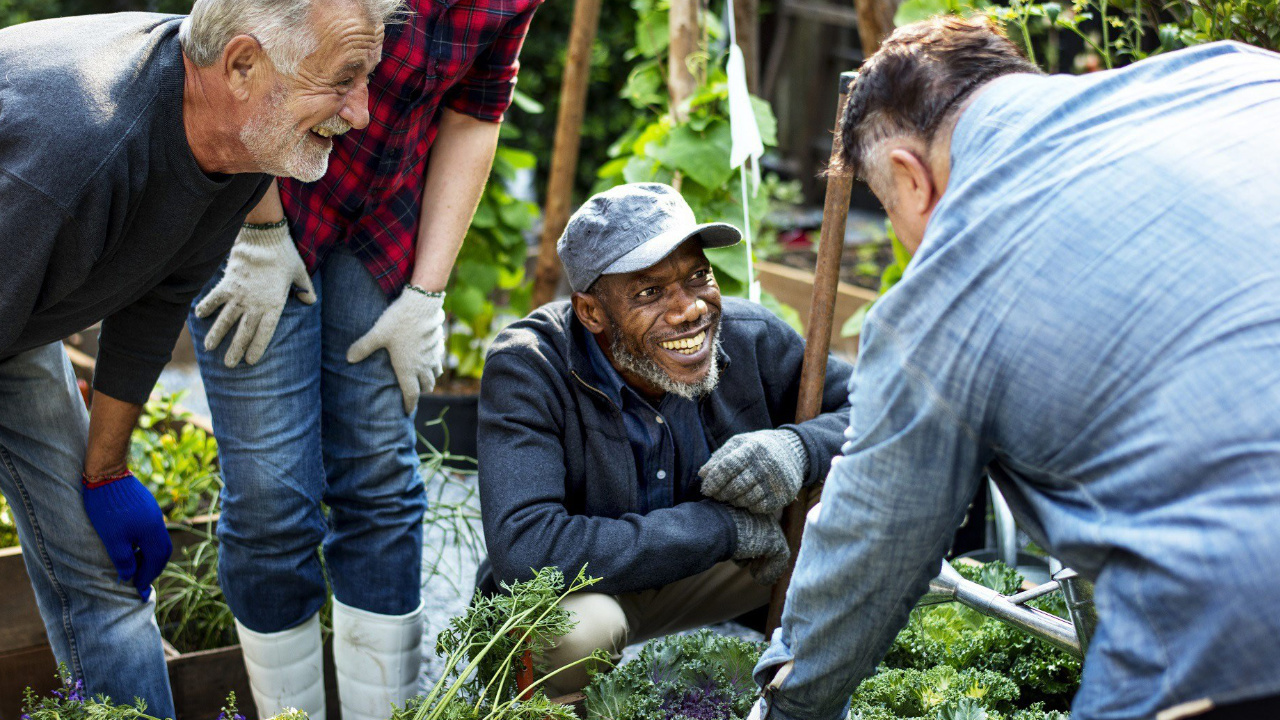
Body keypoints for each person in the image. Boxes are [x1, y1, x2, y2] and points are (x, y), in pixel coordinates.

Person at [749, 17, 1280, 720]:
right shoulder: (1234, 74)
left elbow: (869, 542)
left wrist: (792, 703)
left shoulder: (945, 293)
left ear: (908, 177)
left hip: (1234, 631)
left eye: (888, 207)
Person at [0, 0, 397, 713]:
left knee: (104, 578)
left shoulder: (239, 139)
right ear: (242, 64)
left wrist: (105, 471)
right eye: (342, 80)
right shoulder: (80, 149)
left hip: (17, 315)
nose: (362, 112)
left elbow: (157, 295)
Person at [185, 1, 542, 718]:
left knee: (380, 482)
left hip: (381, 221)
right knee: (270, 502)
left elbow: (476, 116)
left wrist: (426, 294)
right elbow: (236, 57)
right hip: (258, 190)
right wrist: (257, 233)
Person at [476, 182, 855, 694]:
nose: (689, 310)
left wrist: (798, 448)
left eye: (698, 276)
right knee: (570, 634)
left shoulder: (750, 336)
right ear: (591, 312)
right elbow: (526, 548)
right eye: (650, 293)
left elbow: (880, 411)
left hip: (720, 573)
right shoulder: (529, 368)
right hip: (591, 591)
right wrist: (721, 529)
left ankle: (812, 692)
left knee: (869, 501)